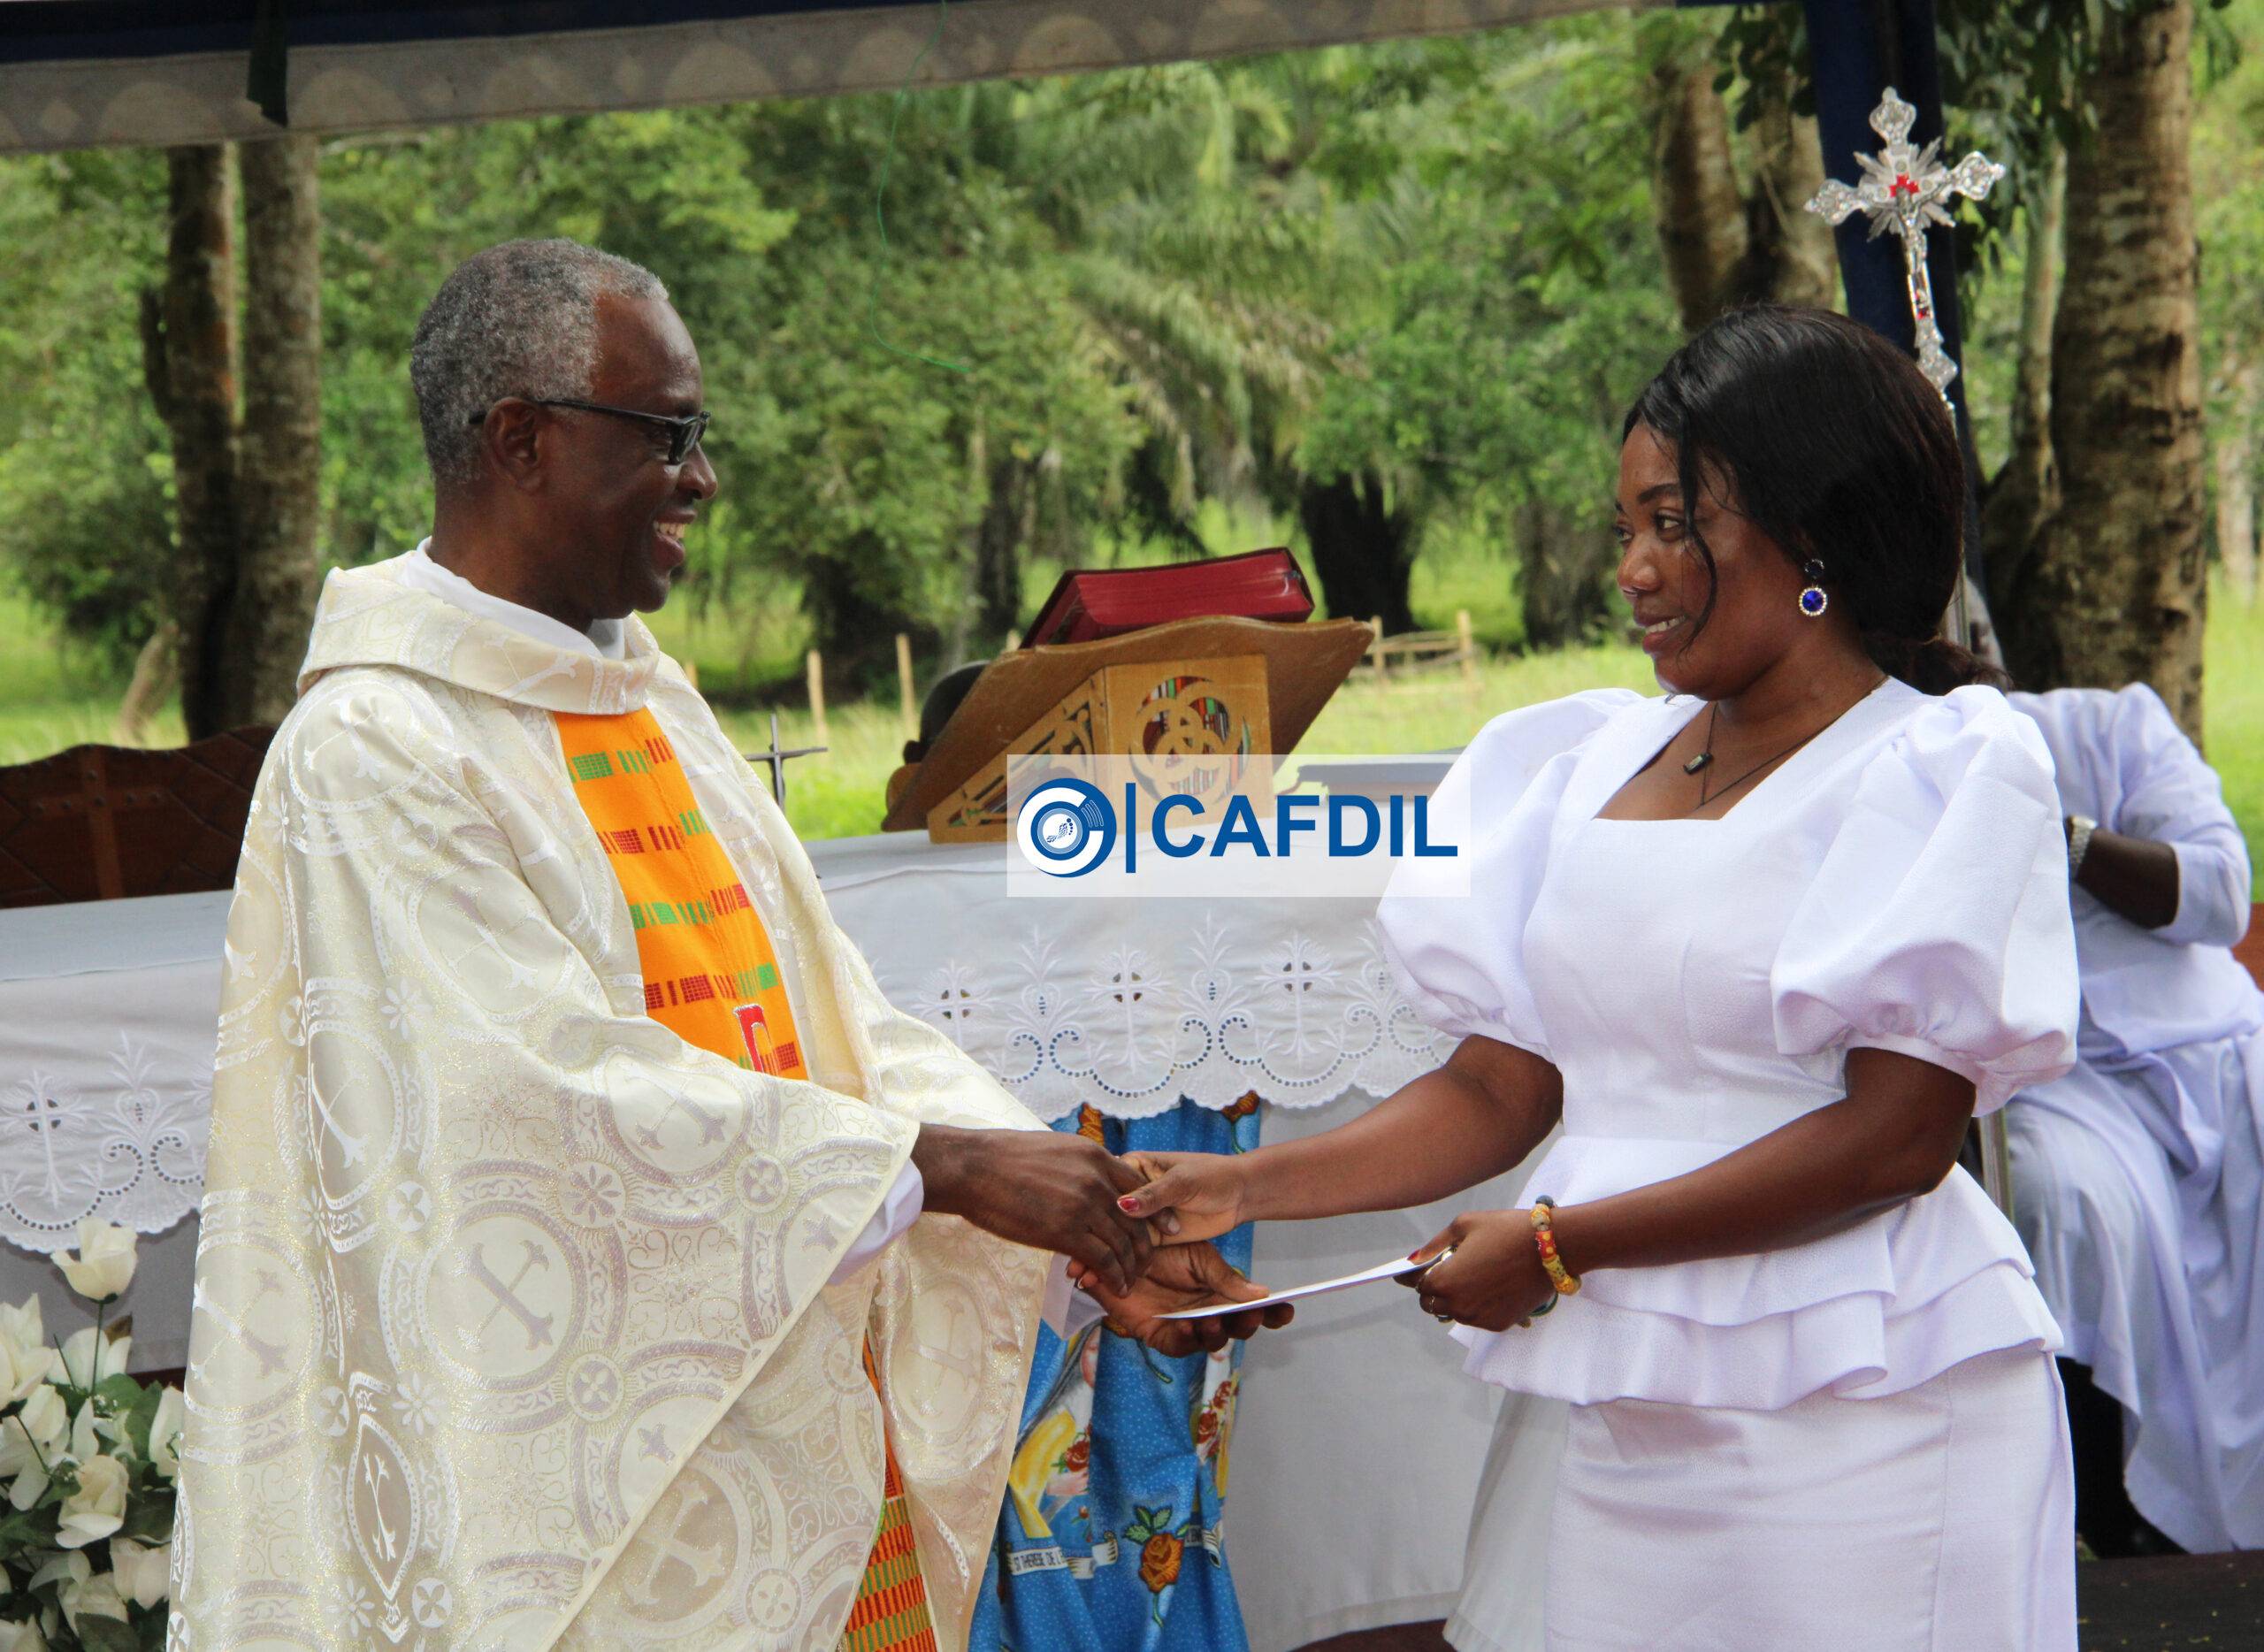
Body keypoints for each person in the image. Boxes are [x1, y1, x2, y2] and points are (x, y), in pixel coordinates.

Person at [168, 238, 1284, 1652]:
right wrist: (951, 1168)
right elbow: (539, 1110)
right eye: (670, 435)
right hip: (605, 1499)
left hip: (802, 1420)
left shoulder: (644, 695)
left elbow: (838, 1031)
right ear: (521, 437)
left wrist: (1082, 1230)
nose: (702, 477)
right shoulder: (380, 744)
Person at [1117, 304, 2083, 1649]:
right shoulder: (1576, 767)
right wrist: (1242, 1186)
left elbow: (1896, 1140)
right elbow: (1504, 1089)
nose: (1630, 568)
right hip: (1607, 1377)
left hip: (1852, 1395)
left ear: (1811, 534)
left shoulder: (1940, 768)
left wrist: (1565, 1246)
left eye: (1673, 522)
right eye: (1623, 526)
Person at [2000, 683, 2264, 1556]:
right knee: (2054, 1194)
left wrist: (2059, 830)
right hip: (2063, 1079)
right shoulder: (1890, 764)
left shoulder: (2109, 726)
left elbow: (2223, 894)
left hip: (2215, 1053)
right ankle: (2113, 1518)